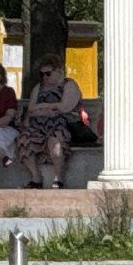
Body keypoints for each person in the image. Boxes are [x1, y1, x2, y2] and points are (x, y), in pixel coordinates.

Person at [17, 55, 82, 189]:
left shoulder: (68, 85)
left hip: (62, 125)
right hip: (38, 127)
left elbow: (65, 107)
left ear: (58, 70)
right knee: (23, 139)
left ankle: (59, 178)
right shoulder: (38, 87)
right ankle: (36, 178)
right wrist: (49, 109)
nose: (45, 77)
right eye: (42, 74)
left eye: (48, 73)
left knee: (55, 142)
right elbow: (31, 110)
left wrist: (41, 106)